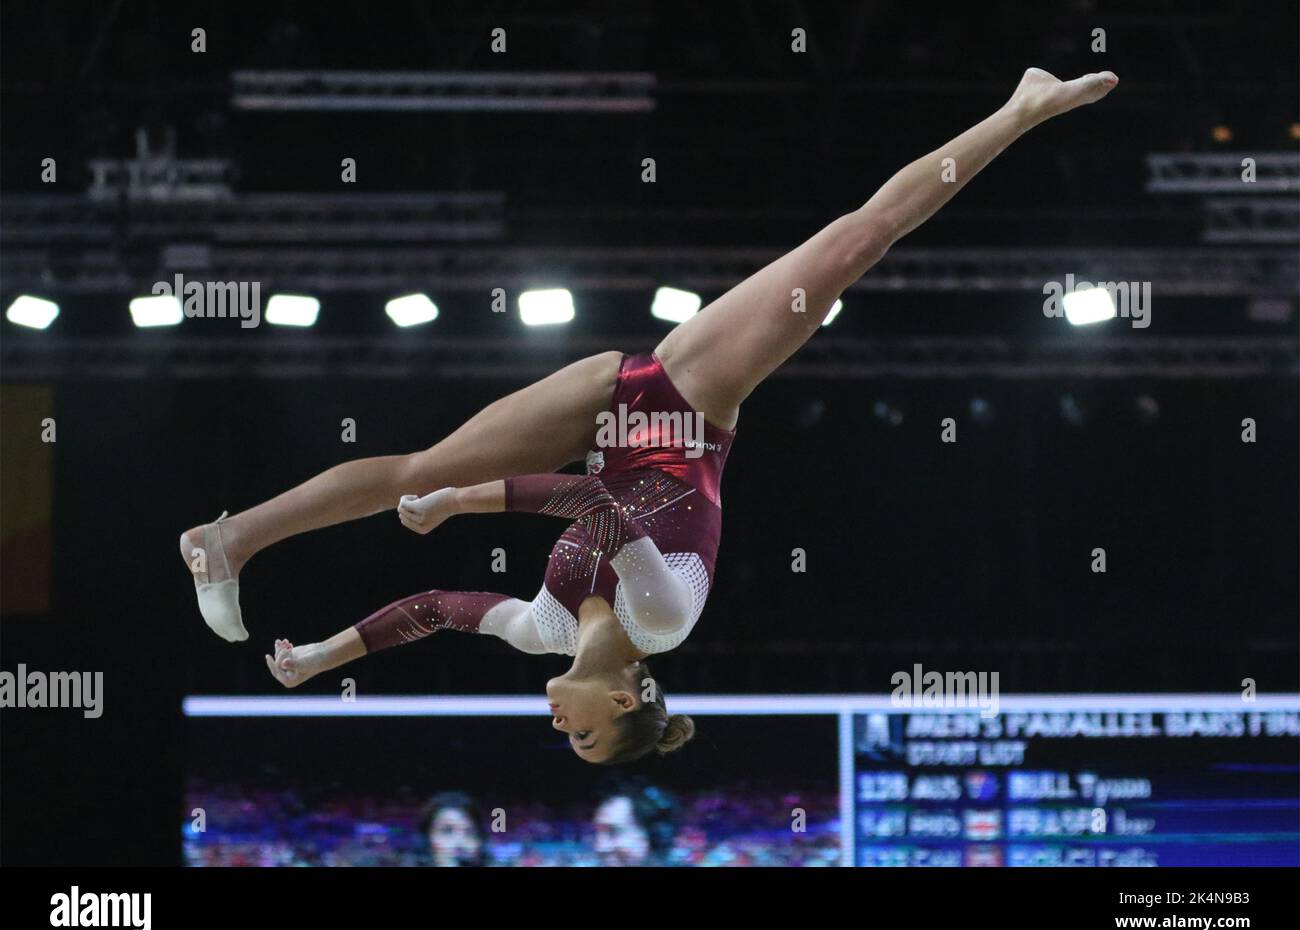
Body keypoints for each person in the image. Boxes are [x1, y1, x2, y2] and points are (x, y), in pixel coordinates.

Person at [182, 68, 1119, 764]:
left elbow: (431, 611)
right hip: (685, 401)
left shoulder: (541, 631)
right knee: (850, 246)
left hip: (601, 411)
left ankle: (230, 540)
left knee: (411, 472)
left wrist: (317, 658)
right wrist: (466, 508)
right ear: (631, 694)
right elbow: (601, 508)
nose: (563, 730)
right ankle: (1021, 108)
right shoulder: (661, 622)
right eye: (587, 738)